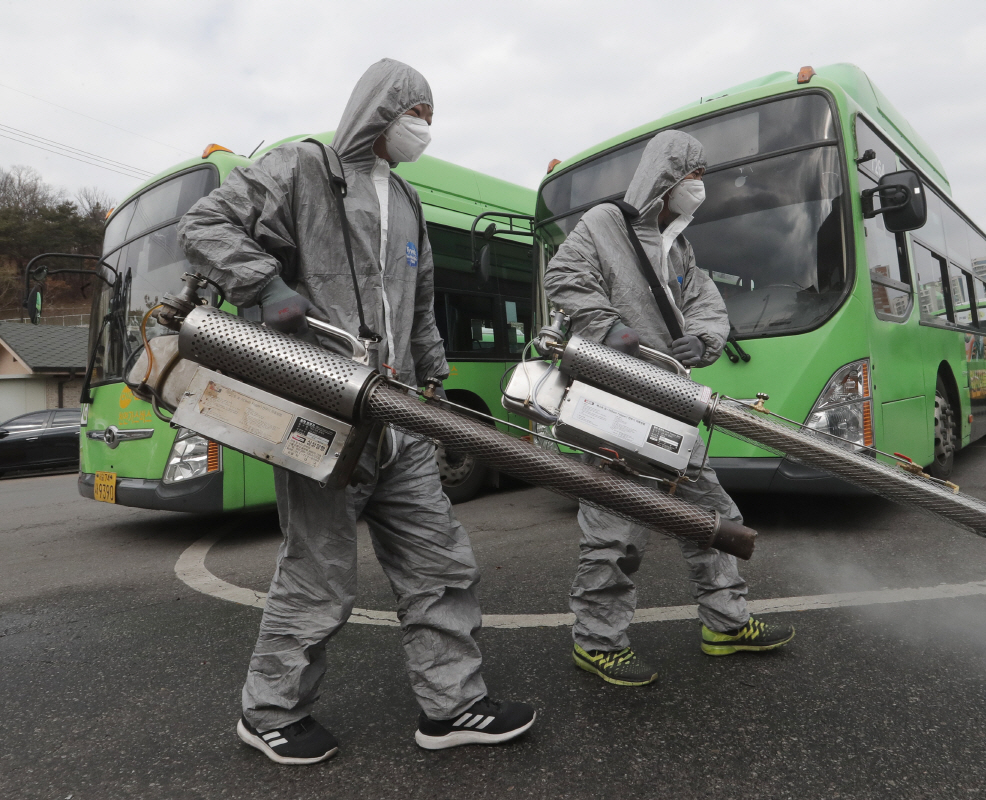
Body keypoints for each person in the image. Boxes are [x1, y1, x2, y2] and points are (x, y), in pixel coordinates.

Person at [178, 59, 535, 765]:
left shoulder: (405, 200)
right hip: (319, 409)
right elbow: (204, 225)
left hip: (398, 417)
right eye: (417, 113)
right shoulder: (301, 169)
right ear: (381, 109)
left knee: (441, 563)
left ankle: (453, 704)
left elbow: (420, 303)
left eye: (430, 116)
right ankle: (270, 711)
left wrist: (434, 377)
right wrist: (267, 283)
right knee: (317, 577)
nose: (423, 129)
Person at [543, 130, 794, 687]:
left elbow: (706, 301)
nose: (699, 187)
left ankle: (725, 624)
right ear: (665, 178)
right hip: (612, 404)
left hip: (671, 404)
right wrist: (611, 328)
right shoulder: (603, 226)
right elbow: (562, 277)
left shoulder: (679, 246)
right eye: (692, 175)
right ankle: (598, 640)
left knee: (715, 518)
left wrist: (702, 340)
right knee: (617, 530)